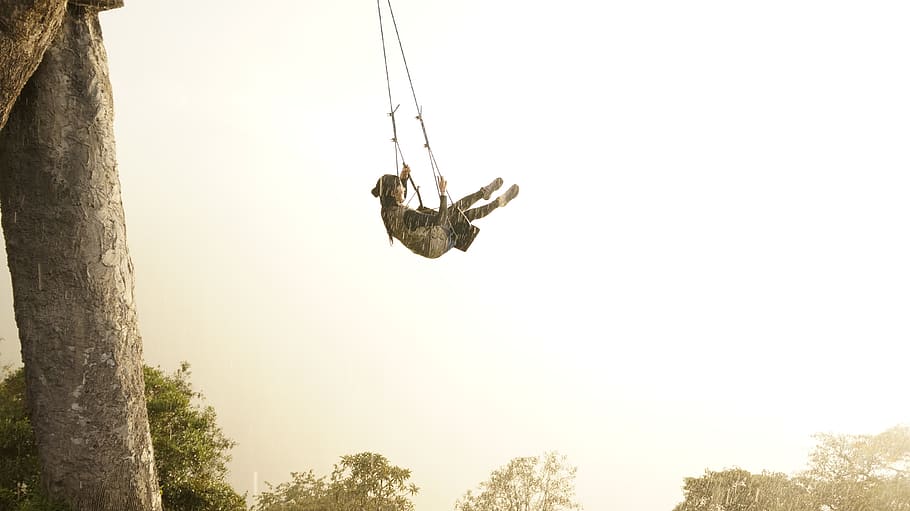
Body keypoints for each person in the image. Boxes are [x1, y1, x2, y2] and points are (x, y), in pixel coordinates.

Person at [370, 164, 519, 258]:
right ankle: (497, 202)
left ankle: (485, 194)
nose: (402, 189)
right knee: (461, 214)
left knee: (455, 211)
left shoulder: (387, 210)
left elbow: (400, 200)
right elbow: (439, 220)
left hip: (427, 245)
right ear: (392, 193)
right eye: (400, 187)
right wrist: (443, 194)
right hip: (435, 244)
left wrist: (404, 179)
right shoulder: (407, 216)